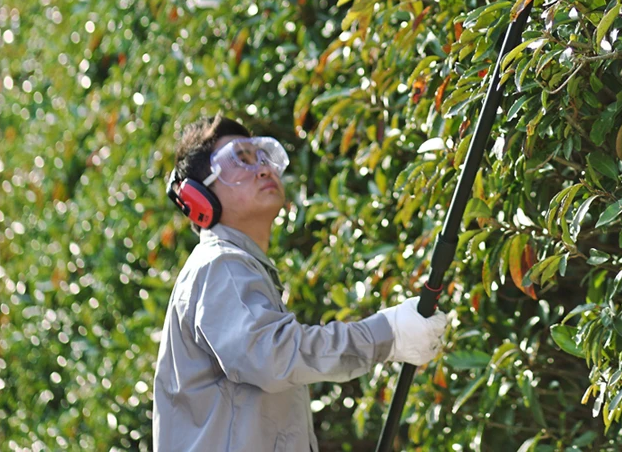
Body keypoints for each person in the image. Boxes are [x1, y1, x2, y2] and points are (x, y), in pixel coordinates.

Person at [153, 114, 447, 452]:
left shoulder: (239, 269)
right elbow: (274, 356)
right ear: (200, 199)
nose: (264, 169)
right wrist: (387, 333)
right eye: (240, 159)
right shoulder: (219, 265)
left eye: (263, 157)